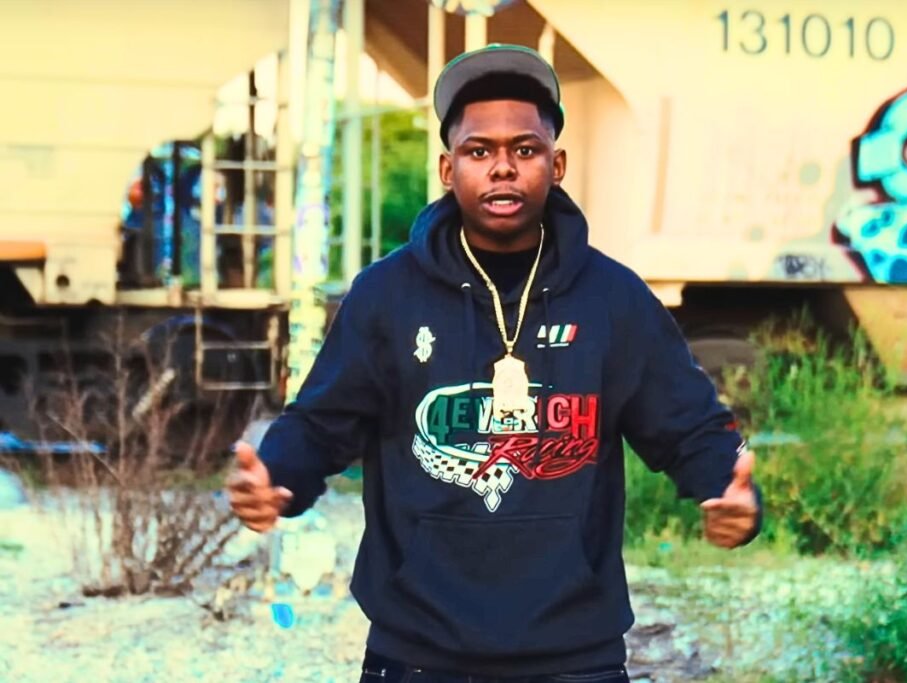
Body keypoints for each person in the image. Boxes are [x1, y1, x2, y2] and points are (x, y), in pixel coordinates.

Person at [226, 44, 763, 682]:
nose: (502, 168)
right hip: (417, 654)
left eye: (525, 150)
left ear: (556, 165)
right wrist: (277, 476)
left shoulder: (613, 299)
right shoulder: (386, 296)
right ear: (447, 168)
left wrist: (730, 491)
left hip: (575, 656)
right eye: (479, 151)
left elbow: (687, 424)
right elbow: (321, 423)